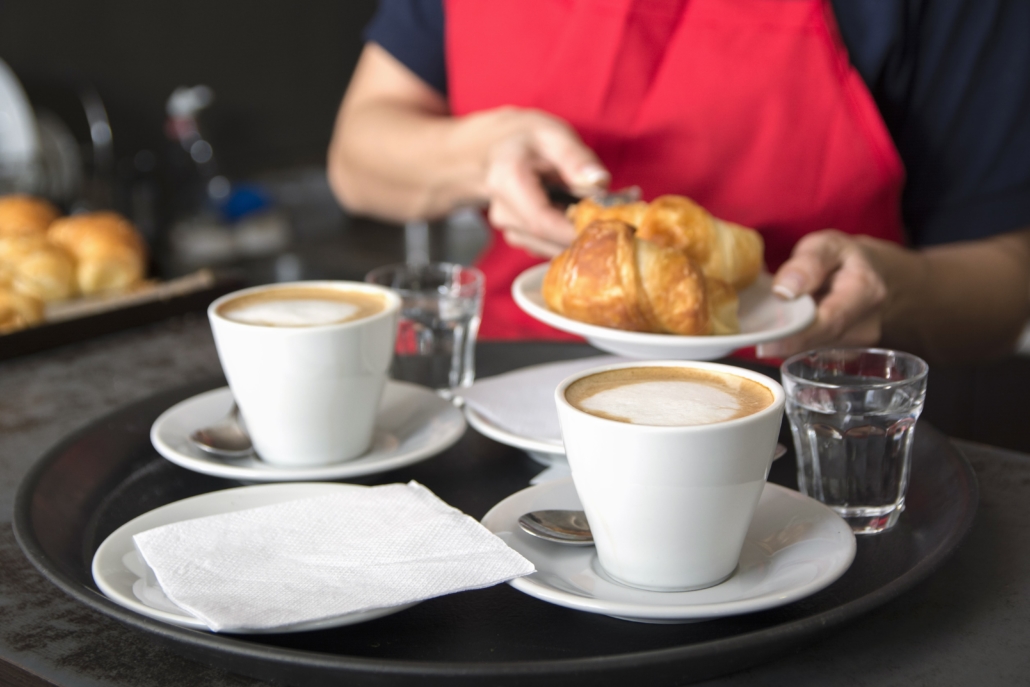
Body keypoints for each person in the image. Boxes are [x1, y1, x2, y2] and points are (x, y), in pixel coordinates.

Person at [327, 0, 1030, 364]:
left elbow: (1008, 276)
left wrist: (897, 291)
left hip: (795, 426)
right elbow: (357, 157)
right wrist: (478, 154)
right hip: (505, 386)